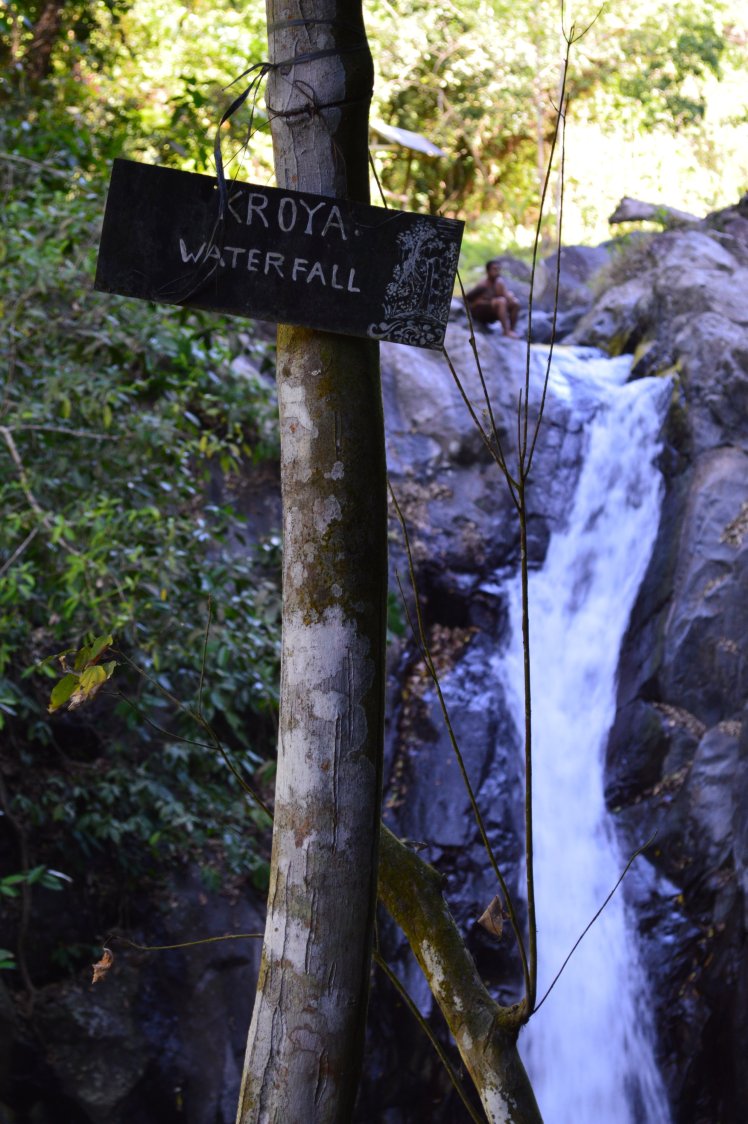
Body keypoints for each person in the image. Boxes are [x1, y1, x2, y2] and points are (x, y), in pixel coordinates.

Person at [466, 259, 520, 338]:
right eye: (494, 269)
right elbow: (470, 301)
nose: (497, 271)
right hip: (481, 314)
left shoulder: (499, 283)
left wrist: (510, 296)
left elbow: (506, 296)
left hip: (494, 312)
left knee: (515, 303)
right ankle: (506, 332)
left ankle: (511, 330)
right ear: (488, 271)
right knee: (501, 301)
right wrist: (490, 302)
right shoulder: (483, 285)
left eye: (498, 269)